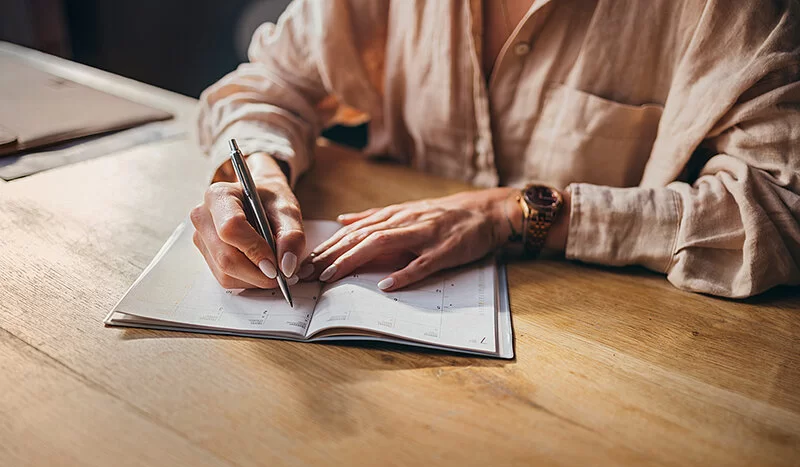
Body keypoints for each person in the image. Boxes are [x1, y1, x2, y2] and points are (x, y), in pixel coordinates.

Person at [191, 0, 800, 299]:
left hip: (612, 358)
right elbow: (267, 82)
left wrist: (515, 213)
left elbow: (780, 208)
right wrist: (262, 175)